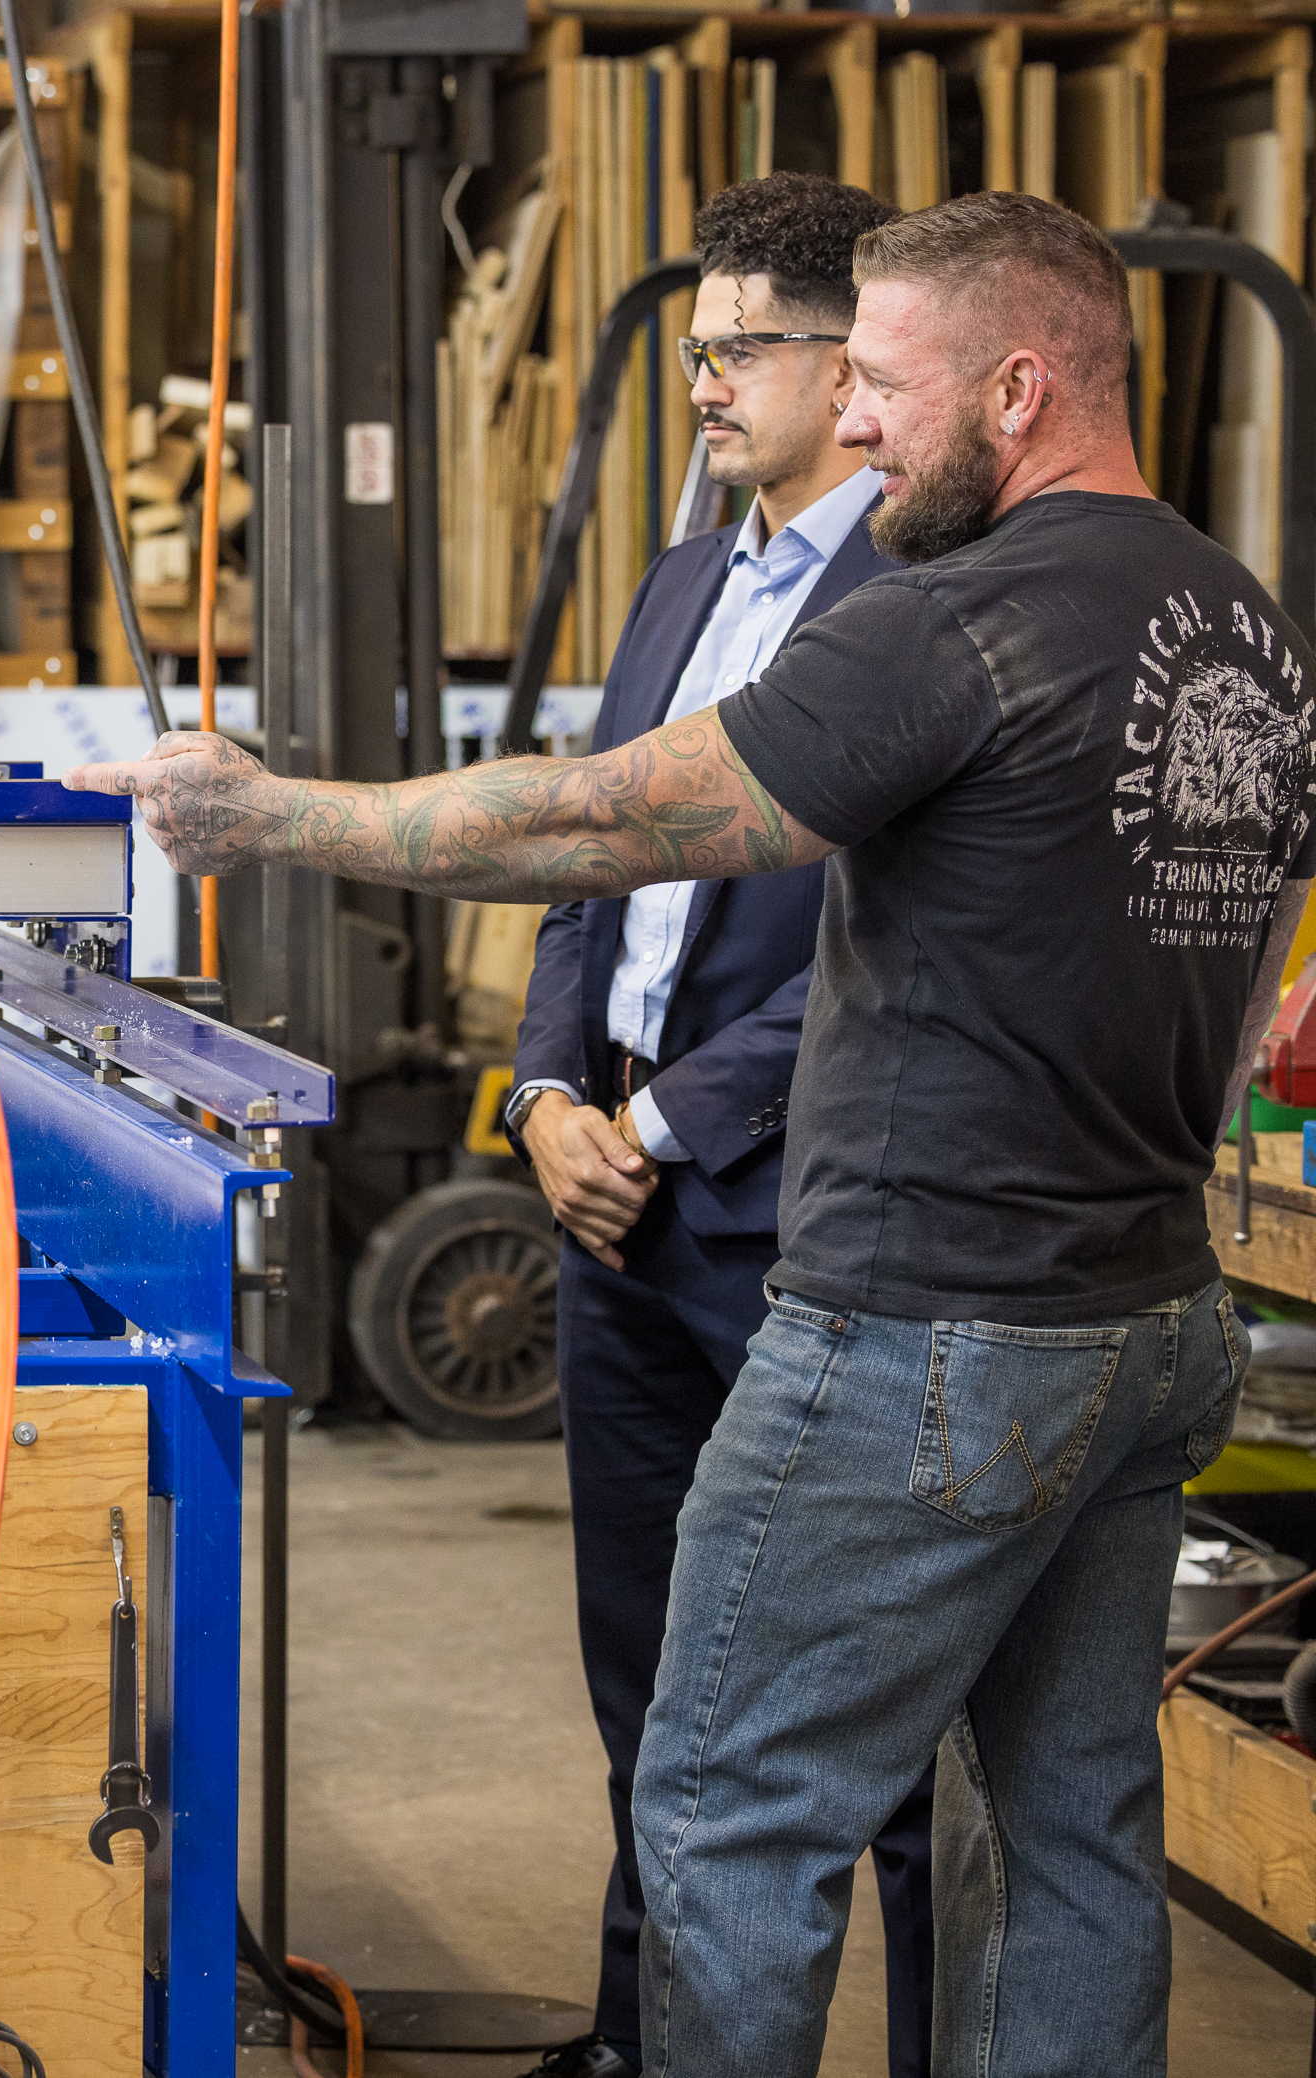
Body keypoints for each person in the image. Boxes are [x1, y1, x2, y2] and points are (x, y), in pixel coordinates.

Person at [70, 191, 1299, 2076]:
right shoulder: (1237, 622)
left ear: (1022, 386)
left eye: (881, 383)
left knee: (724, 1797)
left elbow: (599, 823)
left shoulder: (952, 622)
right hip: (1138, 1318)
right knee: (1069, 1832)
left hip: (924, 1326)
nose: (863, 422)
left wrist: (268, 816)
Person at [502, 172, 932, 2078]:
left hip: (799, 1232)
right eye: (693, 349)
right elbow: (587, 861)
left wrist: (665, 1118)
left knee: (867, 1717)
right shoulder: (689, 583)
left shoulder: (915, 597)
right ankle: (637, 2041)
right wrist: (538, 1095)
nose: (703, 384)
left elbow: (875, 939)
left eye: (737, 347)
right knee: (647, 1681)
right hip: (616, 1224)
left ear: (854, 367)